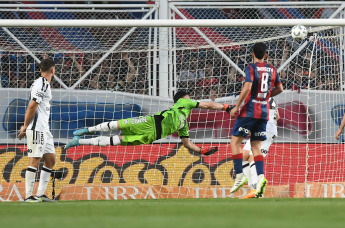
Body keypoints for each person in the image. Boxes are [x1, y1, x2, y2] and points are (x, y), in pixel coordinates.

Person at [65, 90, 233, 156]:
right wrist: (225, 106)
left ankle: (78, 141)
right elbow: (208, 105)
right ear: (183, 99)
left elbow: (187, 143)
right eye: (190, 97)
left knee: (117, 140)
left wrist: (201, 150)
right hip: (150, 122)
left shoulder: (183, 123)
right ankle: (86, 129)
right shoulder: (184, 103)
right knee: (118, 124)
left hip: (152, 136)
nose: (192, 99)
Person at [229, 42, 283, 198]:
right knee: (255, 147)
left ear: (252, 54)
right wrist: (266, 96)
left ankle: (239, 176)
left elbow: (247, 87)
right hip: (264, 113)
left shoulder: (251, 68)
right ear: (266, 55)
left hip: (250, 111)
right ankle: (260, 178)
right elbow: (280, 89)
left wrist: (237, 106)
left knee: (235, 142)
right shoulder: (272, 70)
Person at [17, 58, 56, 202]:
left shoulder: (43, 84)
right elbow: (32, 106)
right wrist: (25, 126)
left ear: (40, 69)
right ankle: (28, 196)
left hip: (45, 128)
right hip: (37, 128)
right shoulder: (42, 84)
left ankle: (40, 194)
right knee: (35, 160)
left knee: (51, 159)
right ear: (53, 69)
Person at [240, 97, 280, 199]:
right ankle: (253, 189)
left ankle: (256, 189)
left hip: (266, 130)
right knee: (244, 155)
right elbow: (278, 116)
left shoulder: (258, 97)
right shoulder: (270, 98)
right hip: (267, 128)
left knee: (252, 155)